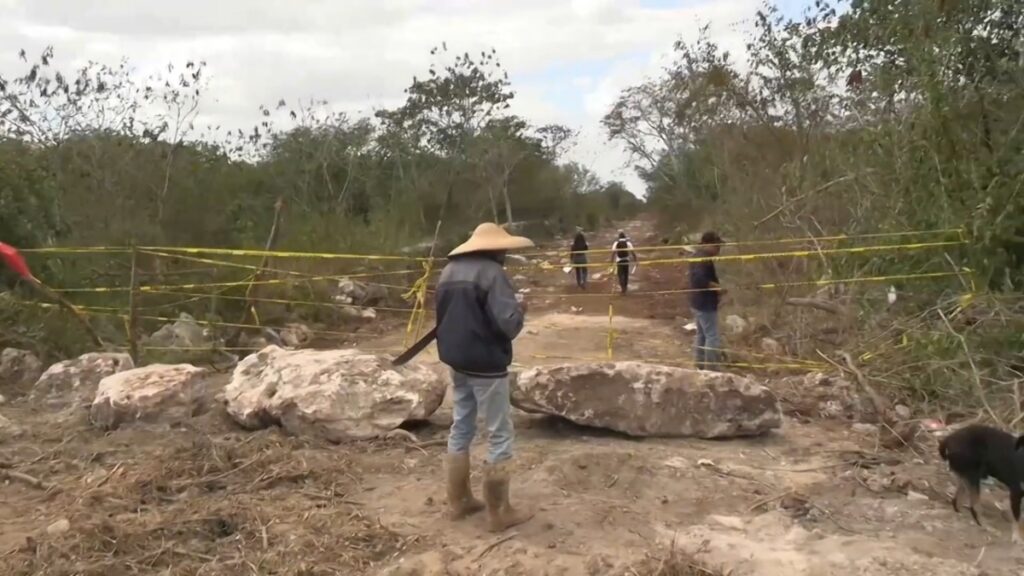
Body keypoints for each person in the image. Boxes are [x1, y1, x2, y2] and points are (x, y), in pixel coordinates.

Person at [435, 222, 535, 533]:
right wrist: (521, 310)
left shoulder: (448, 272)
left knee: (461, 426)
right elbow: (509, 325)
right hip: (486, 363)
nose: (505, 252)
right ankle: (499, 511)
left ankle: (459, 501)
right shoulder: (493, 274)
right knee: (499, 433)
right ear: (494, 248)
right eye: (503, 248)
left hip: (456, 359)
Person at [689, 231, 726, 370]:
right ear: (707, 244)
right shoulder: (703, 258)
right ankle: (712, 369)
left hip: (697, 301)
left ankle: (699, 365)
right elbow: (699, 279)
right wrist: (717, 288)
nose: (718, 249)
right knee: (712, 336)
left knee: (702, 334)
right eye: (716, 246)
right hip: (705, 304)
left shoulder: (698, 256)